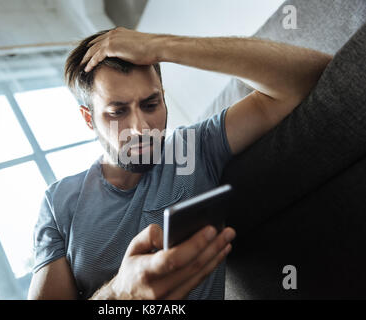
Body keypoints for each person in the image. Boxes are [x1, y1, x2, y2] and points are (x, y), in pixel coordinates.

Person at [27, 27, 332, 300]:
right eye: (117, 112)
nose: (141, 128)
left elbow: (311, 76)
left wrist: (164, 46)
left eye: (151, 104)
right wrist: (120, 295)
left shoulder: (195, 147)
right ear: (89, 118)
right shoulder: (58, 203)